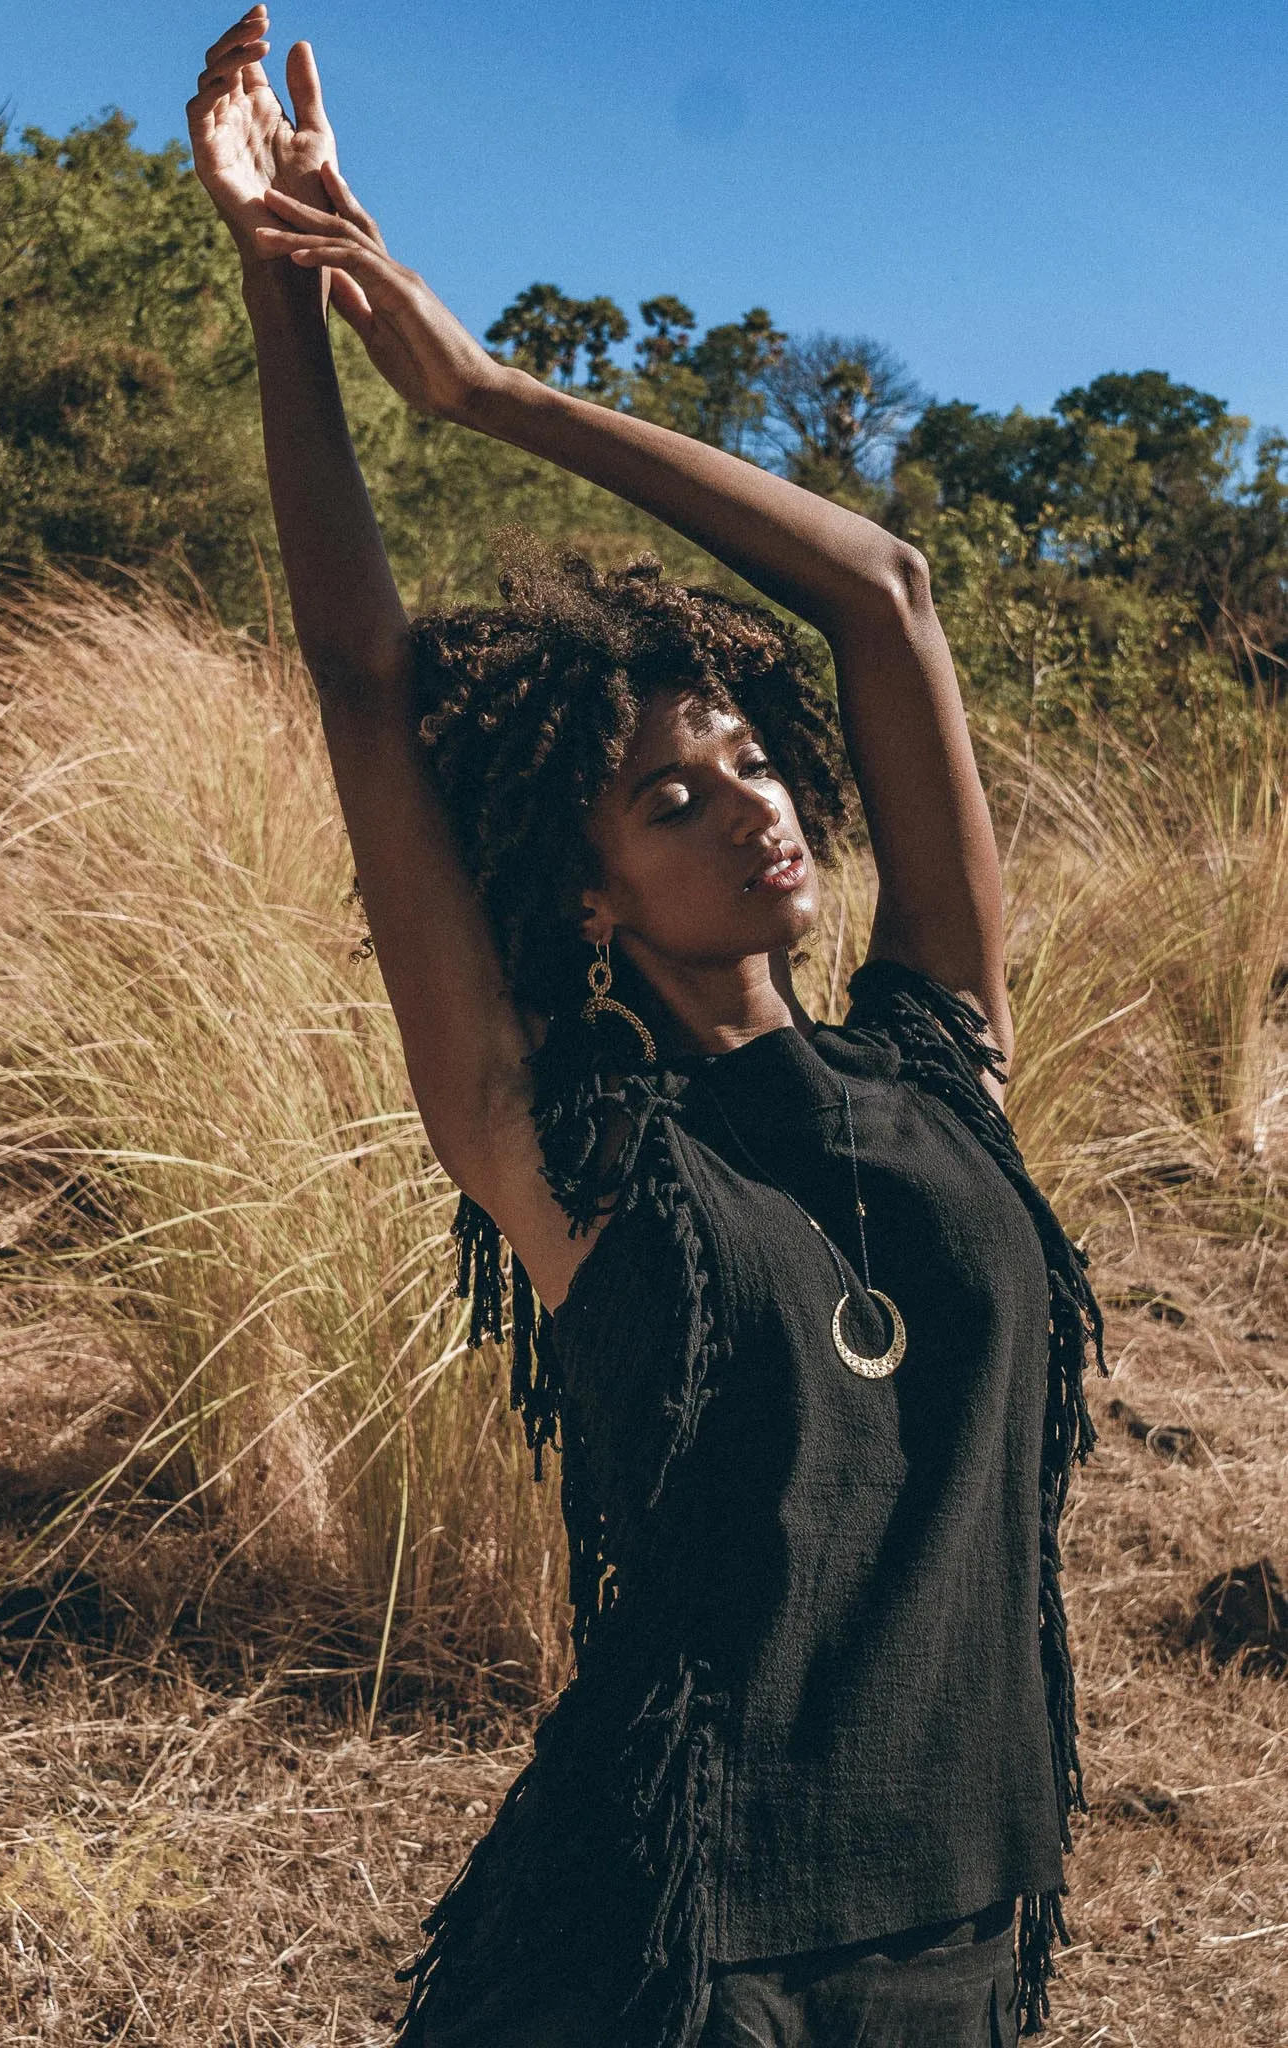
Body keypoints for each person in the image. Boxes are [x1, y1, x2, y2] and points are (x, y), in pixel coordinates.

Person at [186, 12, 1105, 2044]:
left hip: (973, 1917)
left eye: (753, 760)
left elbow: (885, 591)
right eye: (670, 798)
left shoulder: (936, 1061)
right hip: (675, 1961)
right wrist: (286, 297)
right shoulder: (576, 1153)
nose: (756, 805)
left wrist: (490, 386)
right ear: (586, 895)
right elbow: (360, 687)